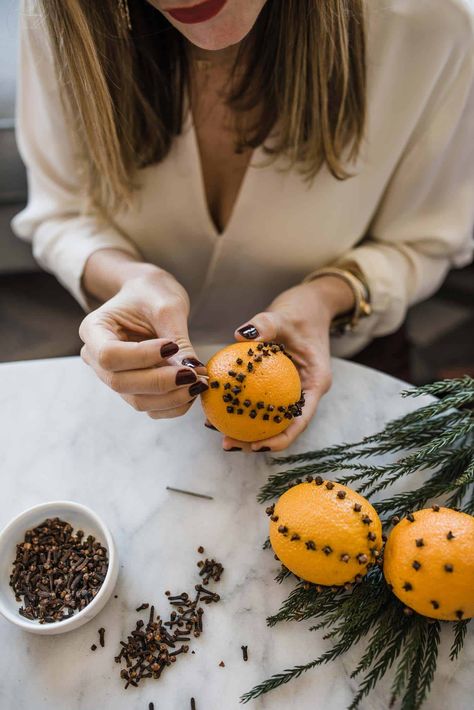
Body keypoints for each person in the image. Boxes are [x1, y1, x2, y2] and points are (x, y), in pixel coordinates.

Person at [13, 0, 474, 452]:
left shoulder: (431, 23)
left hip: (348, 363)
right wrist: (129, 278)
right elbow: (62, 212)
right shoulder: (64, 13)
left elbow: (422, 241)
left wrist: (325, 297)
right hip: (136, 384)